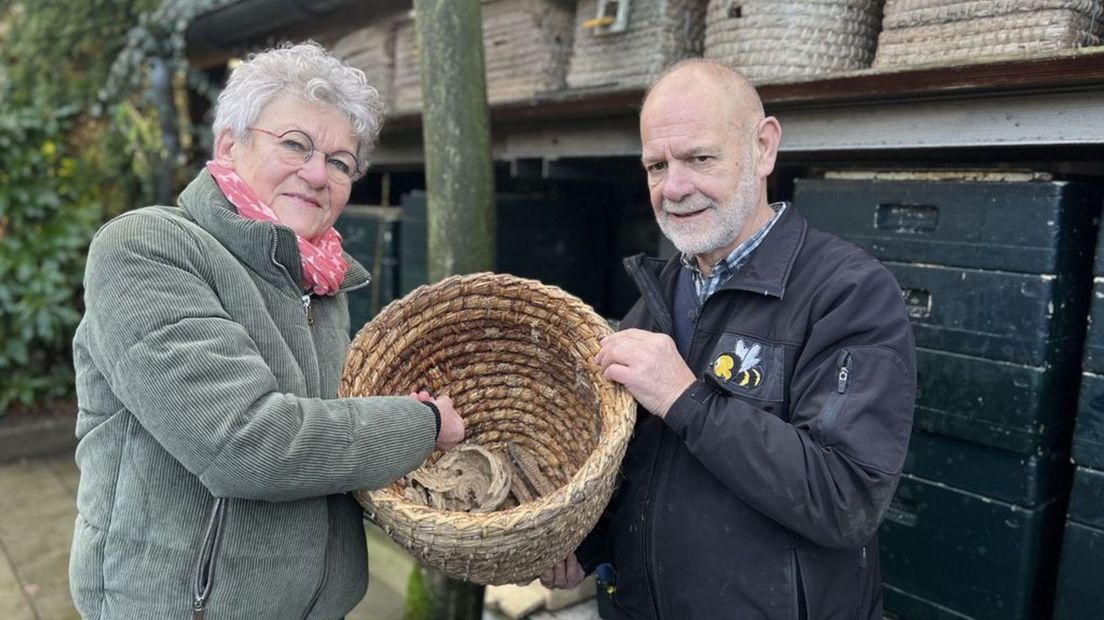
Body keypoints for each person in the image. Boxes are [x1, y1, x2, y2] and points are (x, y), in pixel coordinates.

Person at [68, 41, 464, 619]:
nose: (316, 174)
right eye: (295, 145)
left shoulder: (321, 282)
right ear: (231, 145)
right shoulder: (147, 247)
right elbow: (246, 444)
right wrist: (420, 424)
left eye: (340, 162)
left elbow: (331, 443)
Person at [540, 59, 916, 618]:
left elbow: (846, 500)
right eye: (655, 165)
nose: (674, 187)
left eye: (699, 158)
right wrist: (584, 542)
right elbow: (636, 468)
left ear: (764, 148)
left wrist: (686, 398)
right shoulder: (654, 298)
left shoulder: (848, 294)